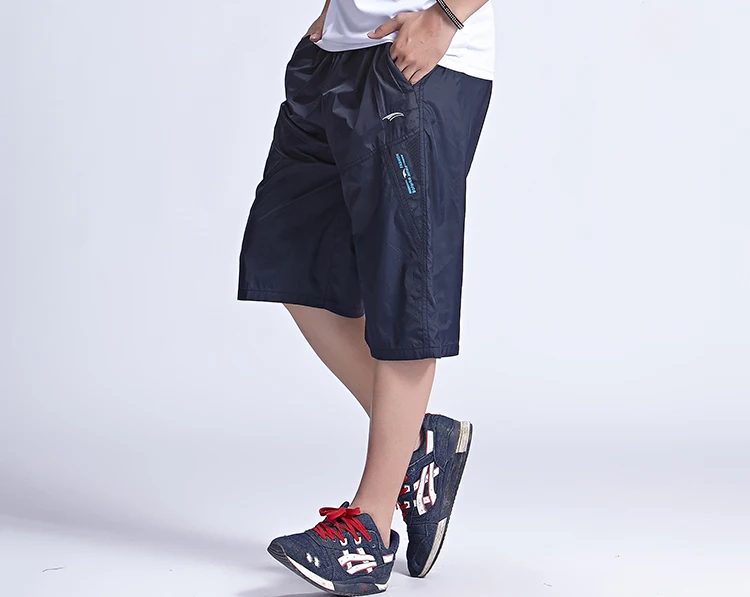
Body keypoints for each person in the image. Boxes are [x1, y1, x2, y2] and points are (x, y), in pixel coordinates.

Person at [238, 0, 494, 593]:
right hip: (336, 56)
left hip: (419, 61)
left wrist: (446, 18)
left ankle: (370, 529)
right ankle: (419, 442)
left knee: (406, 291)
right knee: (287, 256)